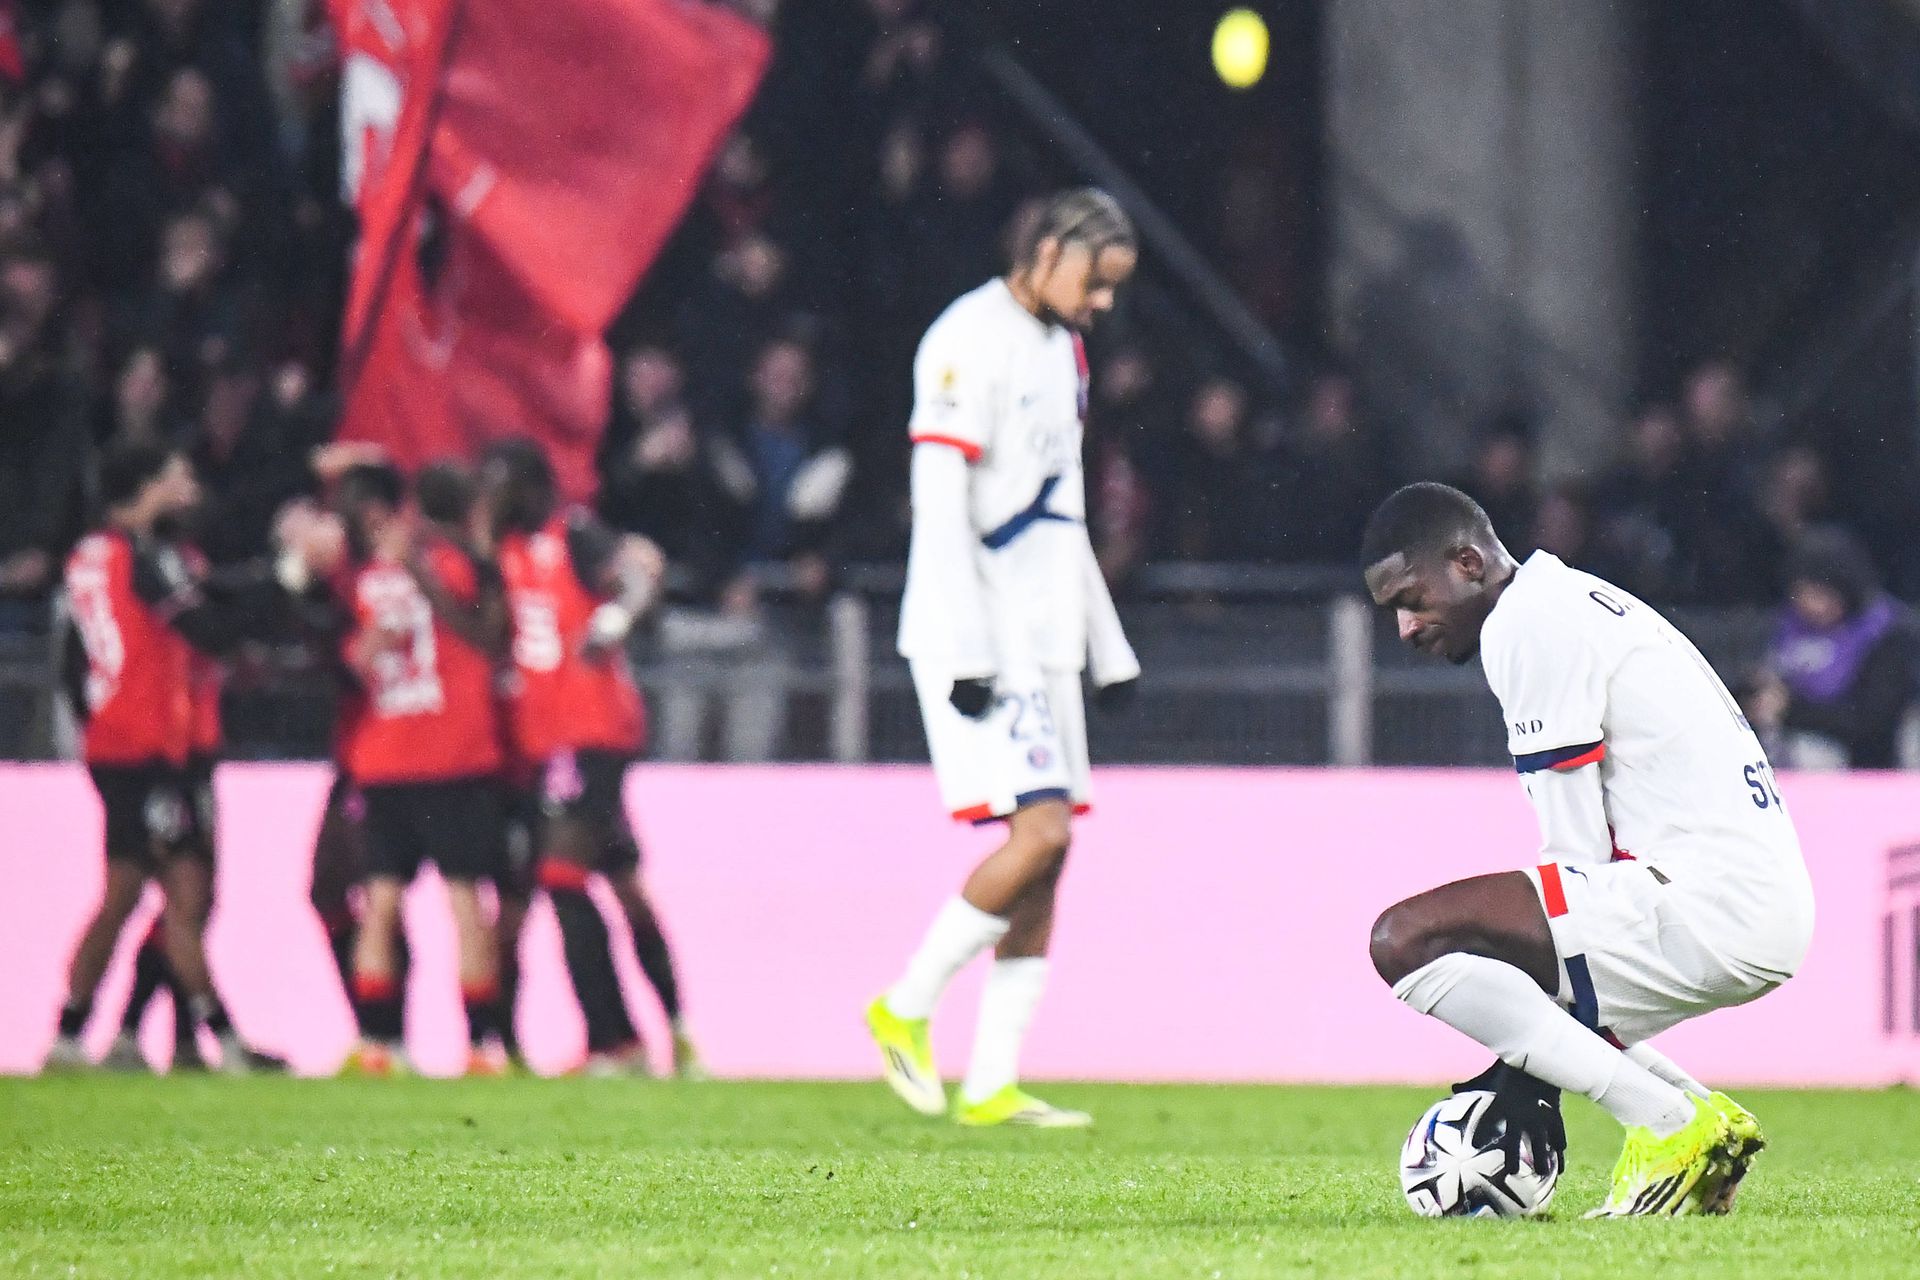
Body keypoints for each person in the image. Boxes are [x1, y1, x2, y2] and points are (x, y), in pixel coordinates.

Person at [1359, 482, 1814, 1217]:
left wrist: (1531, 1068)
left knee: (1407, 939)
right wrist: (1530, 1050)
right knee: (1509, 970)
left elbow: (1576, 857)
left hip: (1708, 901)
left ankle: (1668, 1127)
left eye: (1412, 599)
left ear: (1469, 562)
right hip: (1752, 897)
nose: (1408, 627)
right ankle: (1704, 1119)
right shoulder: (1567, 600)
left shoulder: (1527, 625)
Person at [865, 188, 1142, 1128]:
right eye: (1096, 280)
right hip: (978, 632)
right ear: (1051, 249)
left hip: (1044, 633)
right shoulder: (963, 340)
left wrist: (1106, 646)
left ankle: (991, 1082)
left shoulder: (1061, 349)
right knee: (1042, 835)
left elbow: (1059, 512)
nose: (1103, 303)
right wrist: (972, 650)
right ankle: (903, 1006)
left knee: (1050, 856)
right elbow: (940, 507)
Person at [49, 442, 280, 1072]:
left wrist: (101, 718)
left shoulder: (88, 558)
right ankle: (219, 1039)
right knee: (182, 891)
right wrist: (288, 578)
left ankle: (85, 1033)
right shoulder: (144, 558)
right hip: (153, 749)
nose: (188, 488)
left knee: (132, 890)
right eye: (176, 476)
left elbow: (71, 661)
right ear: (146, 490)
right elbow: (207, 627)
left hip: (119, 744)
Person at [481, 439, 703, 1077]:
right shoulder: (506, 553)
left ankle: (616, 1044)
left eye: (499, 483)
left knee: (561, 878)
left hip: (589, 734)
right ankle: (680, 1033)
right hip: (542, 745)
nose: (490, 497)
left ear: (526, 487)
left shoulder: (571, 535)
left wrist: (618, 619)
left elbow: (634, 572)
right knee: (624, 886)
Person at [325, 462, 510, 1077]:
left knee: (381, 901)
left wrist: (365, 648)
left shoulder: (367, 579)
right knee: (461, 901)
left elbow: (351, 656)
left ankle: (380, 1045)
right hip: (452, 753)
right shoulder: (458, 567)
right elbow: (490, 630)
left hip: (387, 757)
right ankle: (482, 1045)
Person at [1753, 529, 1920, 769]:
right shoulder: (1788, 630)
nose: (1812, 605)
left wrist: (1790, 710)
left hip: (1868, 767)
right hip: (1789, 756)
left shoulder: (1887, 634)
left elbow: (1872, 721)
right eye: (1803, 593)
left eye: (1821, 593)